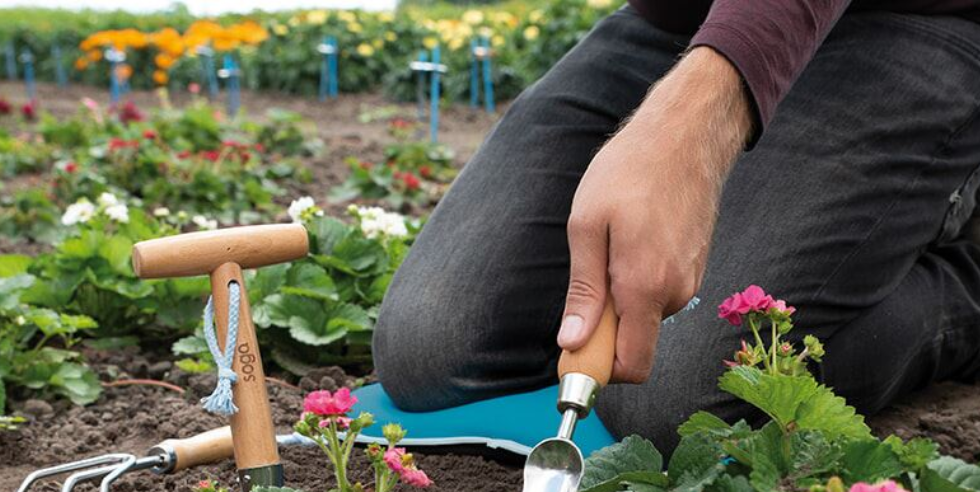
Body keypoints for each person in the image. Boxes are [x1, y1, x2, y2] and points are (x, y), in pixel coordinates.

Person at [372, 1, 980, 456]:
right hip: (679, 17)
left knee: (676, 404)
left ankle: (962, 282)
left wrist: (697, 120)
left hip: (912, 19)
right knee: (432, 348)